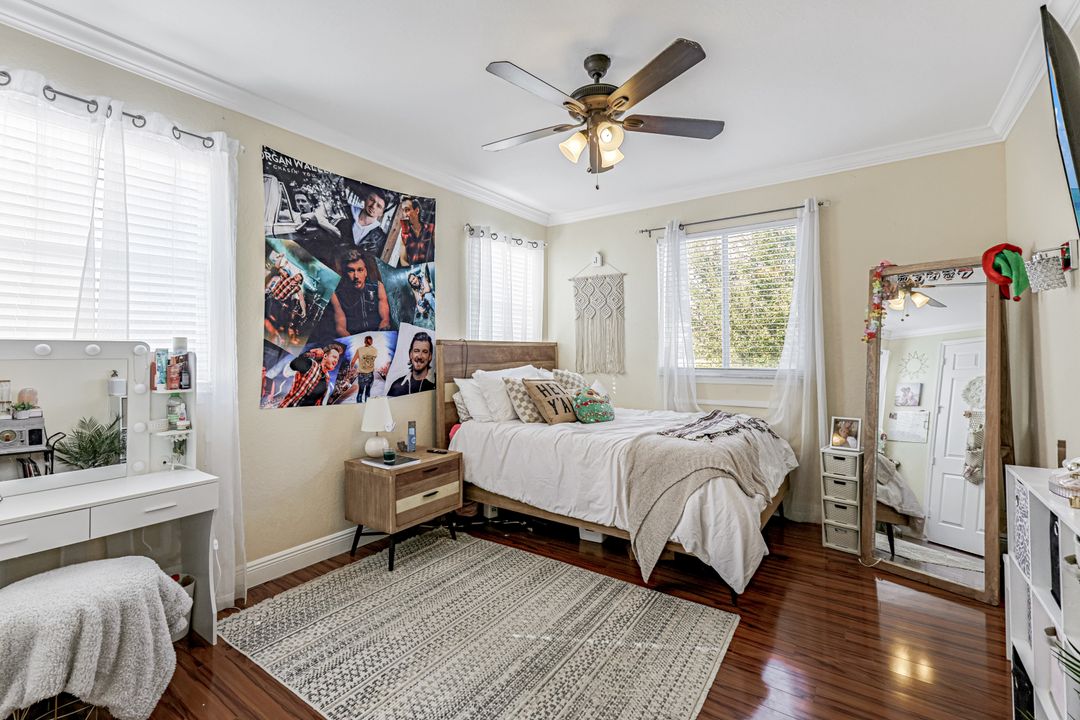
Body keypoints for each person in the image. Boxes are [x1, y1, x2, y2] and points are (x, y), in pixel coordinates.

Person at [328, 248, 390, 337]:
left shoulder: (377, 286)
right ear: (345, 273)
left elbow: (385, 319)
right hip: (353, 338)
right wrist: (352, 341)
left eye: (360, 270)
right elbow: (341, 328)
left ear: (365, 272)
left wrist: (384, 325)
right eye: (351, 271)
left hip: (378, 335)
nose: (356, 276)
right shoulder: (337, 295)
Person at [278, 341, 344, 407]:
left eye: (338, 360)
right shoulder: (311, 365)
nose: (336, 361)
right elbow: (294, 364)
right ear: (325, 356)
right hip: (287, 408)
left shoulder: (327, 380)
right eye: (334, 357)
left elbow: (318, 403)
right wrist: (312, 353)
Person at [293, 189, 342, 267]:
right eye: (297, 201)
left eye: (303, 201)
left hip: (320, 259)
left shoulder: (317, 217)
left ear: (311, 204)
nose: (300, 204)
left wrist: (318, 223)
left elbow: (337, 233)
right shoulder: (295, 218)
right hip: (301, 258)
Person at [335, 188, 389, 256]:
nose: (373, 206)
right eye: (372, 200)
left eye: (379, 206)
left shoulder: (380, 238)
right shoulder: (344, 212)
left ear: (381, 213)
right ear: (366, 199)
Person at [387, 332, 435, 396]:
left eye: (425, 352)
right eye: (416, 351)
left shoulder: (437, 383)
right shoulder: (396, 386)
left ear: (430, 356)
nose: (419, 356)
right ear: (410, 354)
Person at [396, 196, 435, 266]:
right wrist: (412, 270)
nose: (404, 214)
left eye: (407, 210)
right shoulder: (404, 234)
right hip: (413, 271)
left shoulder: (431, 229)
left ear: (417, 210)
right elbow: (403, 259)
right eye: (403, 211)